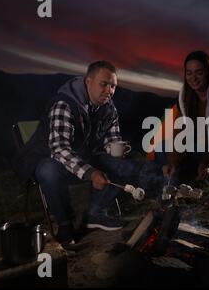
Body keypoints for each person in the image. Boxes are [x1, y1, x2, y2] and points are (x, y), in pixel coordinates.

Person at [13, 61, 140, 245]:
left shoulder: (109, 109)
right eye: (103, 84)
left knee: (118, 164)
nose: (109, 90)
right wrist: (91, 172)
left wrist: (116, 150)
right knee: (49, 169)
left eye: (113, 86)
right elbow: (59, 149)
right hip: (45, 157)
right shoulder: (64, 104)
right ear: (88, 82)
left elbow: (110, 141)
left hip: (81, 157)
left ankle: (95, 215)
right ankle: (65, 226)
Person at [160, 50, 209, 187]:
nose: (193, 78)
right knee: (161, 149)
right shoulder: (185, 98)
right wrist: (172, 162)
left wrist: (207, 162)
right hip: (199, 143)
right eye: (189, 73)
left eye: (199, 73)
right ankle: (182, 177)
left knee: (200, 154)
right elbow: (179, 132)